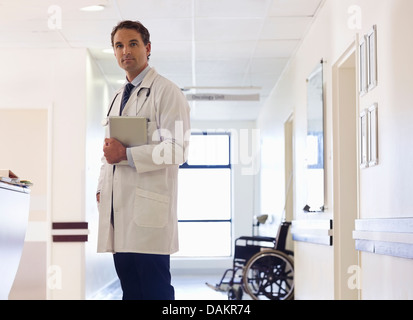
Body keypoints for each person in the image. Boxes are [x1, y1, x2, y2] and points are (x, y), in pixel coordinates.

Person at [96, 20, 190, 300]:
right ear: (114, 53)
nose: (126, 50)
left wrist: (126, 155)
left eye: (133, 44)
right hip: (119, 211)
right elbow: (108, 151)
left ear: (147, 48)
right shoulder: (116, 97)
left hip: (149, 214)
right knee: (131, 291)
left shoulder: (166, 91)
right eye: (119, 45)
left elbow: (177, 149)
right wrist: (102, 187)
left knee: (155, 292)